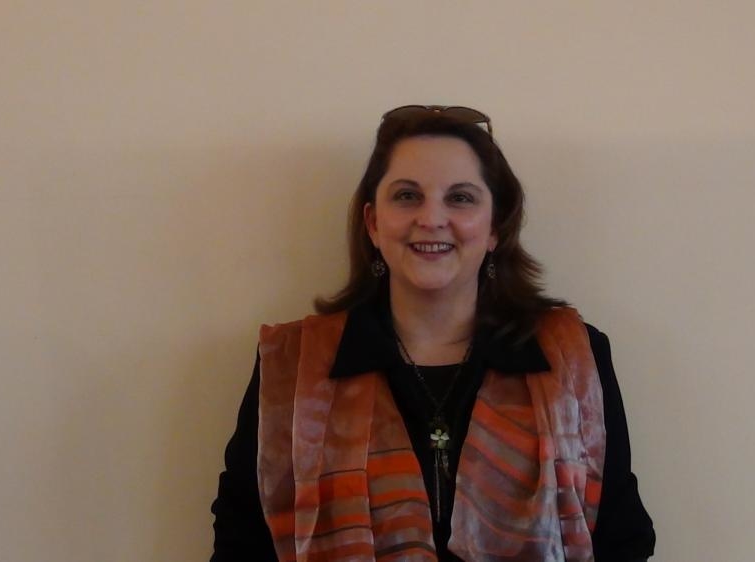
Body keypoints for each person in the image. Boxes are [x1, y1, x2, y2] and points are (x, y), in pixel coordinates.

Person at [210, 105, 656, 561]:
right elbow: (240, 544)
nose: (431, 218)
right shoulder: (295, 366)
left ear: (495, 227)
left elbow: (622, 539)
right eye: (407, 196)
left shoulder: (573, 358)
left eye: (460, 197)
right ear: (373, 224)